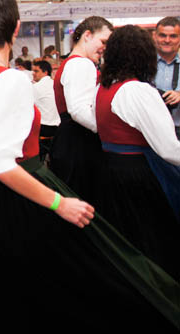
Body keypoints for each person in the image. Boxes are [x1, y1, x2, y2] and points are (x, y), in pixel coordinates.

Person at [0, 0, 180, 334]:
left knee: (14, 291)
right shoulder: (11, 79)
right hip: (30, 196)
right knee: (76, 286)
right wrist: (58, 202)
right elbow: (3, 164)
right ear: (16, 27)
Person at [96, 25, 180, 279]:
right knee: (154, 242)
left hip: (111, 171)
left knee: (129, 242)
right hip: (139, 174)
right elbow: (168, 148)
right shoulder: (138, 91)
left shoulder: (103, 87)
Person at [49, 16, 113, 202]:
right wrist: (108, 130)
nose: (105, 48)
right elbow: (78, 110)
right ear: (87, 35)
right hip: (79, 142)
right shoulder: (81, 63)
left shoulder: (74, 62)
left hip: (72, 139)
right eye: (103, 41)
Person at [153, 16, 180, 139]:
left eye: (173, 36)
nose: (167, 40)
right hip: (151, 129)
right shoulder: (143, 64)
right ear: (155, 36)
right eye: (162, 35)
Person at [31, 60, 60, 159]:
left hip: (43, 128)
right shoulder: (56, 84)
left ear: (45, 72)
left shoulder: (36, 87)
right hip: (58, 128)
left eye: (36, 71)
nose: (33, 73)